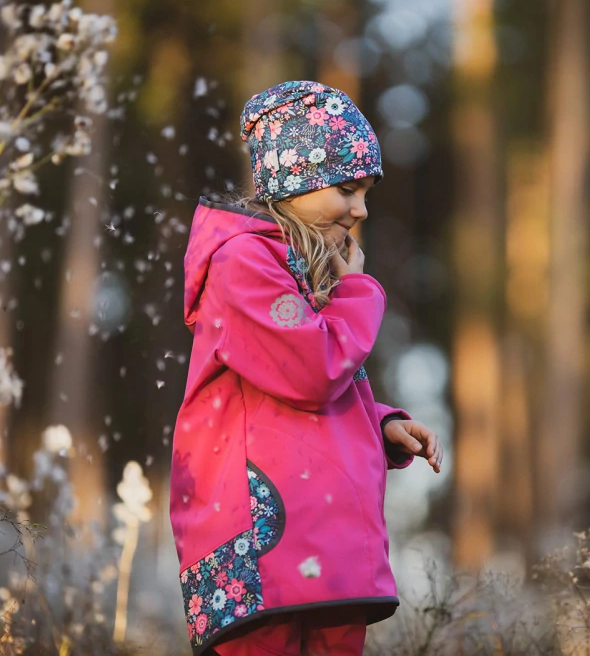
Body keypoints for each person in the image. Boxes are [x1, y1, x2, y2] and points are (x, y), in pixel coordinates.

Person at [170, 80, 444, 656]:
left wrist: (382, 421)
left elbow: (323, 380)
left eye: (366, 192)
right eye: (347, 188)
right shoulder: (244, 262)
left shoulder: (304, 266)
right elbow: (311, 369)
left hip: (326, 547)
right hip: (262, 552)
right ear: (295, 181)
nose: (361, 209)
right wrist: (358, 292)